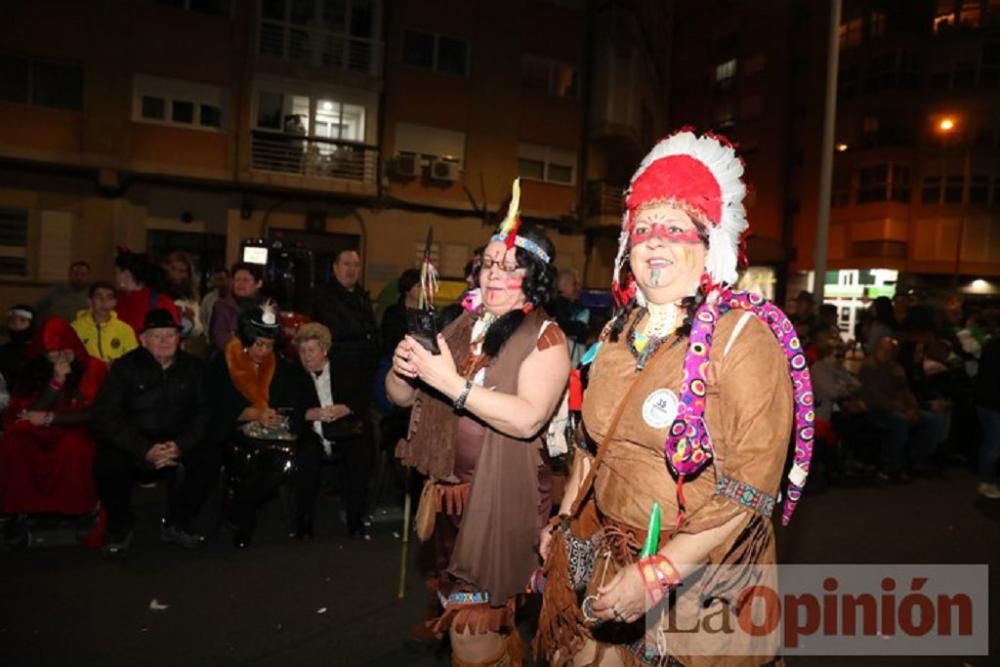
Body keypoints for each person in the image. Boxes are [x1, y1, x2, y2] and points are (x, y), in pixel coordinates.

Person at [536, 130, 814, 666]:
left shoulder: (743, 337)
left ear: (711, 247)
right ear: (627, 249)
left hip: (702, 583)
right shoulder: (616, 335)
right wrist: (565, 522)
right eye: (642, 230)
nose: (655, 241)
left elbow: (749, 489)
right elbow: (589, 447)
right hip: (607, 561)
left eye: (677, 230)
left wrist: (661, 571)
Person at [390, 179, 570, 665]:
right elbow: (402, 398)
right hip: (448, 502)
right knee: (458, 629)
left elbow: (529, 418)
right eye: (488, 264)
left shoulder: (546, 338)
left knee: (473, 634)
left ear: (533, 279)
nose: (493, 275)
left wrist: (449, 383)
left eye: (509, 268)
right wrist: (403, 370)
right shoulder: (461, 324)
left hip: (498, 503)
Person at [91, 309, 217, 556]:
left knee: (209, 457)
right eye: (156, 335)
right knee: (107, 462)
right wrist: (143, 448)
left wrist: (180, 444)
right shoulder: (125, 367)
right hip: (136, 442)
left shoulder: (194, 368)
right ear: (143, 339)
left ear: (179, 338)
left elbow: (204, 412)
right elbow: (107, 416)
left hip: (177, 441)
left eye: (170, 335)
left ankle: (178, 522)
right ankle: (120, 525)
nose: (164, 341)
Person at [208, 303, 322, 547]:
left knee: (309, 449)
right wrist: (249, 413)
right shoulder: (223, 365)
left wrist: (284, 418)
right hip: (240, 432)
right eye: (258, 344)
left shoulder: (284, 367)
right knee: (255, 458)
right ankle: (244, 518)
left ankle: (302, 519)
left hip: (280, 432)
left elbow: (302, 402)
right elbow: (213, 405)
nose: (263, 351)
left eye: (269, 346)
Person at [0, 318, 107, 520]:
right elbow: (26, 412)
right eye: (53, 352)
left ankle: (78, 509)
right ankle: (17, 507)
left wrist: (53, 417)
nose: (61, 357)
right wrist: (56, 382)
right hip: (40, 425)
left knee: (74, 447)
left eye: (66, 350)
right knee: (16, 439)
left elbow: (98, 411)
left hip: (78, 426)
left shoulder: (94, 368)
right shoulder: (33, 369)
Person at [295, 322, 370, 539]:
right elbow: (289, 408)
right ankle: (304, 522)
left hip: (343, 428)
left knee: (359, 453)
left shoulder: (345, 369)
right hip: (311, 431)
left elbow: (361, 398)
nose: (306, 356)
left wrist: (344, 409)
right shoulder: (294, 375)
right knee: (306, 456)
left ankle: (356, 519)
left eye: (311, 350)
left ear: (324, 350)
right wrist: (312, 414)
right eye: (302, 351)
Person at [310, 249, 379, 424]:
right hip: (336, 368)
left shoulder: (362, 297)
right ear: (335, 267)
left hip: (362, 371)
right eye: (346, 264)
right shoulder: (322, 295)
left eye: (356, 265)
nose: (352, 269)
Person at [113, 249, 179, 336]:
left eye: (116, 273)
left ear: (126, 274)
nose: (114, 277)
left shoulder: (118, 302)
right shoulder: (162, 302)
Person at [71, 281, 138, 364]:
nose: (104, 301)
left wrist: (116, 365)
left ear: (115, 302)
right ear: (89, 301)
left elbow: (133, 361)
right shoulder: (75, 328)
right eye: (99, 296)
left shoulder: (125, 330)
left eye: (109, 297)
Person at [209, 262, 262, 354]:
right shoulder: (222, 307)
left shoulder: (267, 306)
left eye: (246, 280)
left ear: (258, 283)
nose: (240, 284)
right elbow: (219, 339)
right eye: (237, 279)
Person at [163, 251, 204, 345]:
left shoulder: (189, 298)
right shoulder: (156, 293)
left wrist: (191, 321)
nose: (176, 274)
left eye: (181, 271)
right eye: (173, 268)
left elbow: (198, 330)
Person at [553, 268, 590, 366]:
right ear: (562, 286)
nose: (578, 288)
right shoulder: (555, 306)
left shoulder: (578, 307)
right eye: (574, 284)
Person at [0, 304, 36, 391]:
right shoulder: (2, 350)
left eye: (22, 320)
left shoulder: (39, 350)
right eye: (12, 321)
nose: (16, 324)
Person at [199, 267, 230, 343]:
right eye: (216, 280)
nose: (219, 283)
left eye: (221, 279)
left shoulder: (235, 298)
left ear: (229, 279)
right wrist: (208, 336)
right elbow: (202, 318)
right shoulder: (208, 298)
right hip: (212, 342)